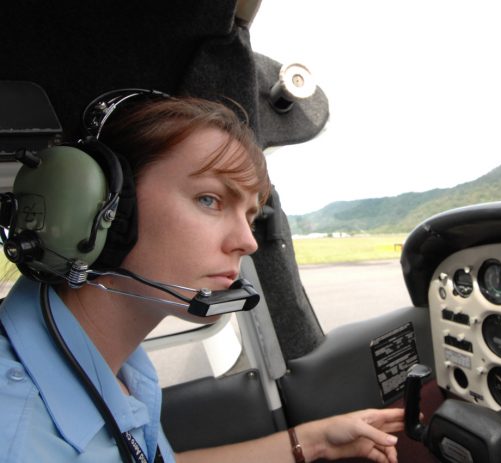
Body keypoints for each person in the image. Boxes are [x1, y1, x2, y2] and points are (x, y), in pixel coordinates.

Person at [0, 95, 404, 463]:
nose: (247, 242)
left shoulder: (116, 365)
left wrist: (313, 441)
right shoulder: (18, 433)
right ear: (104, 207)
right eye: (210, 200)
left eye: (249, 216)